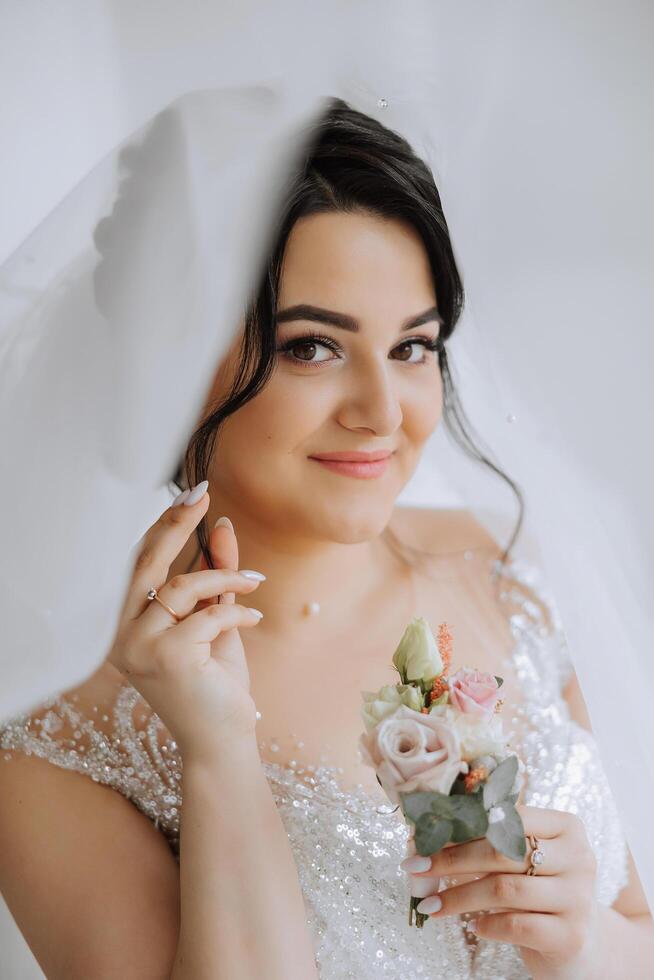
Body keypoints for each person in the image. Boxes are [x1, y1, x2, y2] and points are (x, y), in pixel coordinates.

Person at [0, 98, 650, 979]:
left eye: (413, 348)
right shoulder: (56, 741)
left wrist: (582, 943)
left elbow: (634, 935)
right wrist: (219, 753)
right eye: (312, 347)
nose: (383, 414)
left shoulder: (506, 572)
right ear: (173, 358)